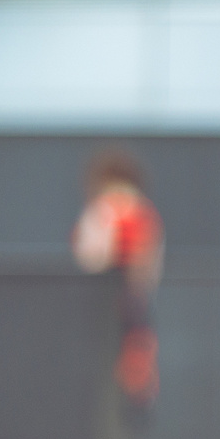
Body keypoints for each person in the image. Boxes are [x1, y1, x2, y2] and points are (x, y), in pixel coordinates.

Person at [72, 147, 164, 416]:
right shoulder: (143, 211)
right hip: (133, 295)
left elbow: (92, 255)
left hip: (106, 293)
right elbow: (150, 259)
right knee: (135, 354)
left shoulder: (104, 210)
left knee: (106, 358)